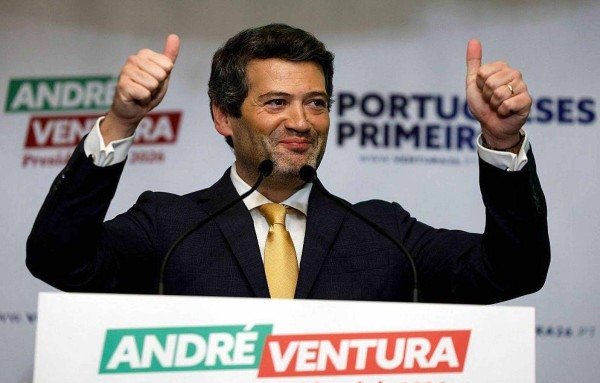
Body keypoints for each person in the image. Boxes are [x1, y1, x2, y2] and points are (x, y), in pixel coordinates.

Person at [26, 24, 549, 303]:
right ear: (224, 116)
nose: (301, 121)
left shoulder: (383, 233)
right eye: (276, 102)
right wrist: (121, 121)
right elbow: (58, 259)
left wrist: (502, 140)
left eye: (316, 103)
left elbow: (514, 271)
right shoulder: (170, 227)